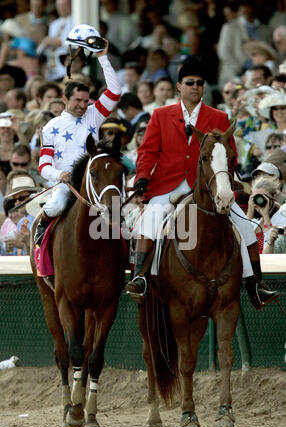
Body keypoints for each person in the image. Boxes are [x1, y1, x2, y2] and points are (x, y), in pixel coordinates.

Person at [126, 58, 278, 310]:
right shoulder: (161, 115)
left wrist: (225, 184)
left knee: (246, 226)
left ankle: (255, 285)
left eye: (199, 83)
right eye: (190, 83)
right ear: (179, 86)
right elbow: (147, 152)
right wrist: (142, 176)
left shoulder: (219, 116)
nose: (195, 87)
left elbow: (231, 156)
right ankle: (140, 278)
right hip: (169, 183)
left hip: (208, 187)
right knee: (150, 220)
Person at [34, 30, 121, 246]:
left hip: (94, 182)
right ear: (65, 99)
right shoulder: (51, 126)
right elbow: (43, 165)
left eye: (85, 100)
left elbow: (115, 91)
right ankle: (41, 235)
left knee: (119, 212)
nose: (83, 105)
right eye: (78, 101)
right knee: (56, 206)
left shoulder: (94, 114)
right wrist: (58, 174)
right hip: (66, 185)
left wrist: (102, 57)